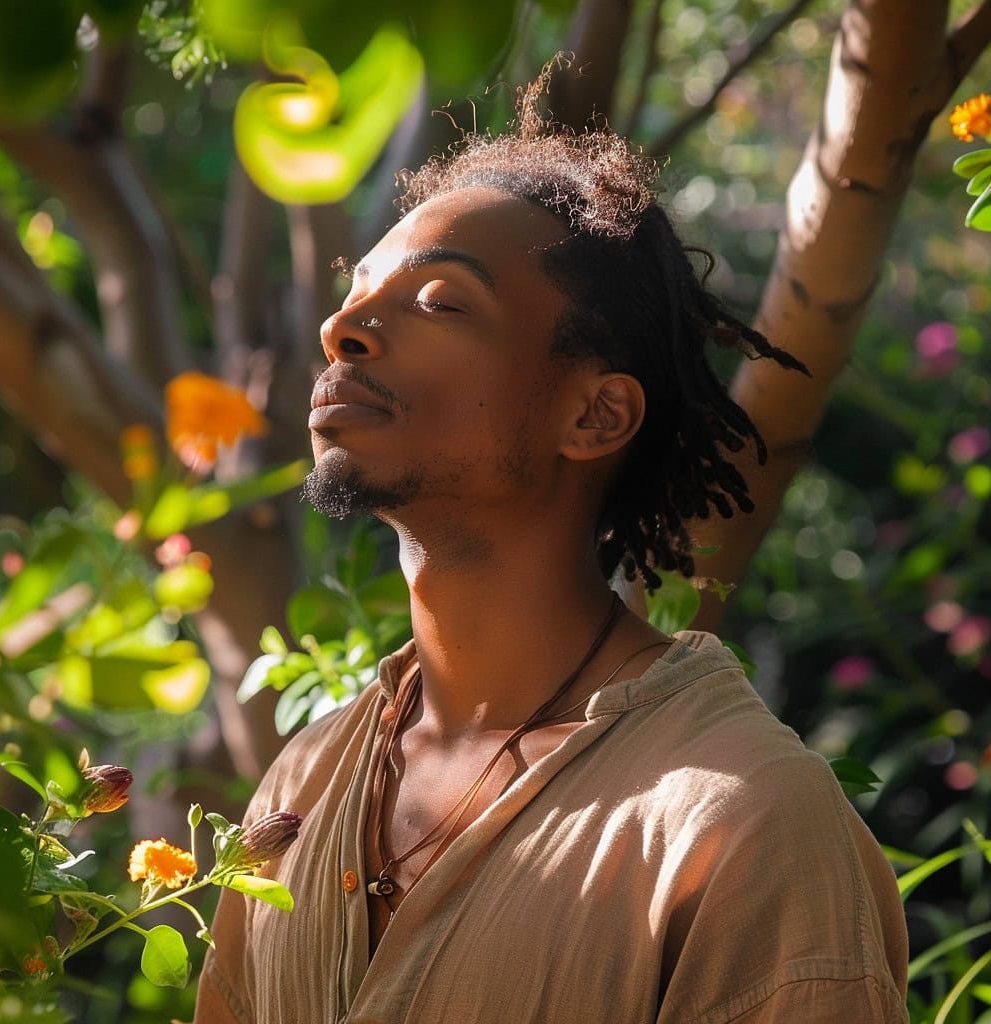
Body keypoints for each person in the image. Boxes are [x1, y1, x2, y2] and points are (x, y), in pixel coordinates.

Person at [194, 77, 909, 1023]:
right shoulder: (305, 784)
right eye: (356, 294)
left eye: (442, 301)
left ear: (595, 413)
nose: (342, 330)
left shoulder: (738, 822)